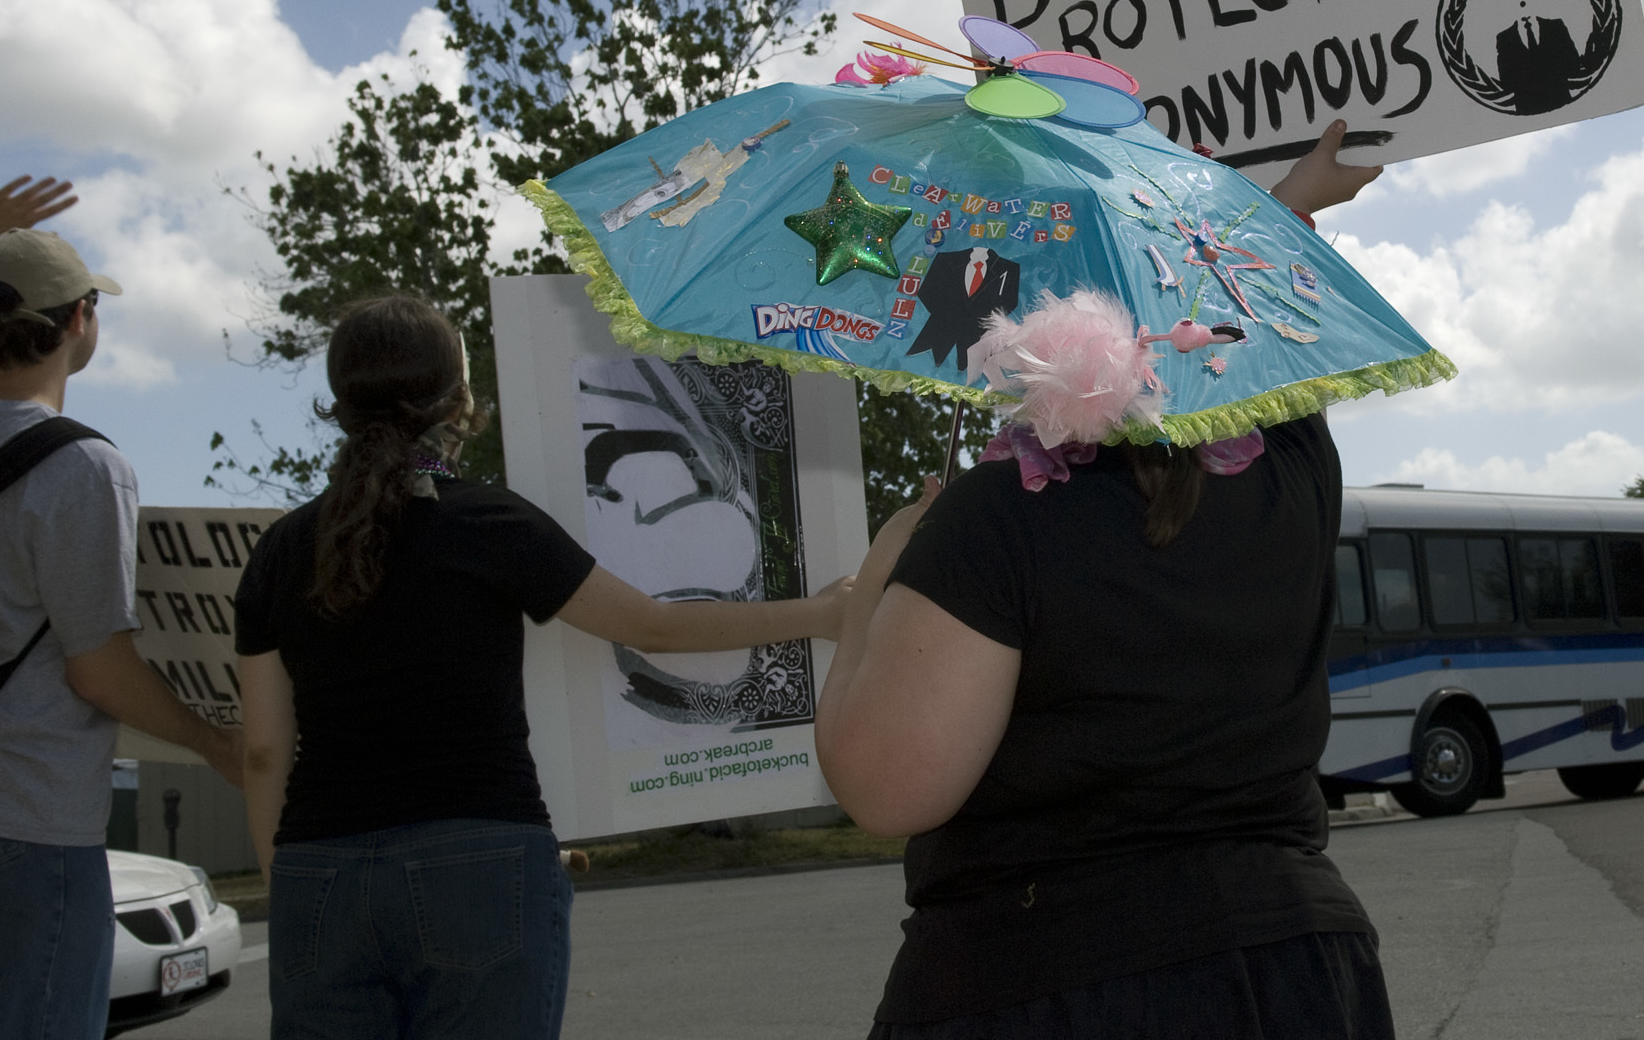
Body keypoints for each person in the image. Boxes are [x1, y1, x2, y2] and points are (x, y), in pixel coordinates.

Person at [816, 122, 1397, 1039]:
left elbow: (889, 791)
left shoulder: (994, 519)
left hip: (1048, 975)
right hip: (1300, 966)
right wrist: (1288, 202)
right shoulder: (1294, 460)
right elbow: (1251, 326)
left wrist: (876, 587)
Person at [234, 292, 850, 1040]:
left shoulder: (278, 551)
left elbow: (262, 749)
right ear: (458, 402)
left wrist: (290, 887)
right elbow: (651, 627)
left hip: (316, 872)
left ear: (341, 403)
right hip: (482, 862)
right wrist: (819, 614)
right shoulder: (489, 521)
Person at [0, 179, 245, 1040]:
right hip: (29, 821)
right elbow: (100, 671)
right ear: (80, 321)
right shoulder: (85, 470)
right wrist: (215, 743)